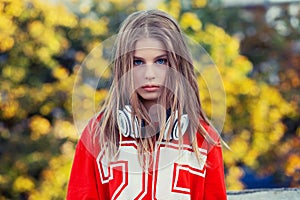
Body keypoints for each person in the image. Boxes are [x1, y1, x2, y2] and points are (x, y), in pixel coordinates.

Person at [67, 9, 227, 200]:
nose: (149, 74)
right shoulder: (97, 134)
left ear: (177, 65)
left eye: (161, 61)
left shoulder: (203, 138)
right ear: (123, 67)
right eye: (137, 62)